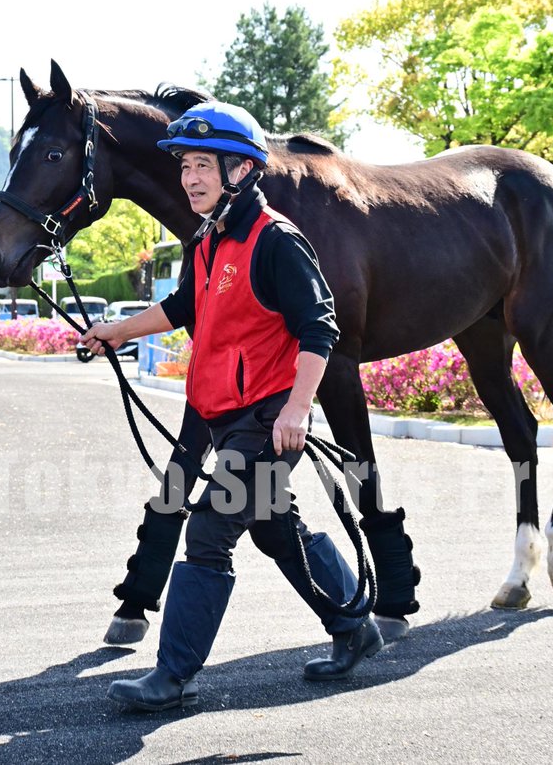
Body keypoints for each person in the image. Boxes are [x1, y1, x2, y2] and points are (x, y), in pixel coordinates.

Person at [81, 101, 382, 713]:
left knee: (210, 533)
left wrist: (298, 409)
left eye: (203, 165)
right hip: (228, 419)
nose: (190, 177)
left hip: (267, 424)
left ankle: (172, 675)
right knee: (278, 531)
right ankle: (355, 627)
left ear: (241, 170)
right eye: (186, 165)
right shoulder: (207, 239)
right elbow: (180, 309)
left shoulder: (276, 240)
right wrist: (113, 333)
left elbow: (320, 330)